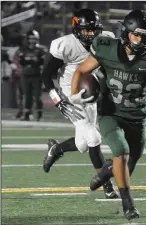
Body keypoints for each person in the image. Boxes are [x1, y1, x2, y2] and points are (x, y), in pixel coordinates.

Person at [70, 9, 146, 220]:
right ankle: (128, 204)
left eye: (145, 36)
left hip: (137, 115)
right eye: (136, 34)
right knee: (121, 151)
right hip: (110, 112)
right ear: (126, 32)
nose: (140, 40)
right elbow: (81, 71)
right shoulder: (106, 49)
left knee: (132, 159)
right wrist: (74, 95)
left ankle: (106, 171)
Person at [41, 9, 118, 199]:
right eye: (86, 31)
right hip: (69, 92)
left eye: (93, 30)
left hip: (89, 89)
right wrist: (58, 101)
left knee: (83, 144)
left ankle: (56, 149)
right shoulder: (66, 45)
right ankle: (106, 184)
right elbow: (46, 75)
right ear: (76, 29)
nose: (90, 34)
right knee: (93, 138)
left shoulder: (105, 40)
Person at [16, 30, 47, 121]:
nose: (32, 40)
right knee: (27, 96)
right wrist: (31, 61)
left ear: (37, 39)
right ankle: (27, 114)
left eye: (33, 38)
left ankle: (39, 114)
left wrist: (31, 61)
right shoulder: (23, 49)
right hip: (26, 75)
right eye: (30, 38)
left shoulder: (41, 49)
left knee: (37, 96)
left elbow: (41, 62)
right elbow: (22, 62)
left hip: (37, 75)